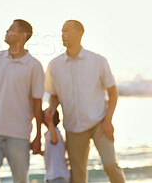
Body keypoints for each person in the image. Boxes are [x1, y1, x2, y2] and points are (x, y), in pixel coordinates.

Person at [44, 20, 126, 183]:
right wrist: (51, 108)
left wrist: (108, 121)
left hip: (99, 123)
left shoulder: (98, 61)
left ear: (80, 33)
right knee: (78, 175)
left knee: (110, 164)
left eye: (67, 31)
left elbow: (113, 92)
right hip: (73, 127)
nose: (63, 35)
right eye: (61, 31)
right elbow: (54, 95)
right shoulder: (54, 65)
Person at [0, 19, 44, 183]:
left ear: (22, 35)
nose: (6, 31)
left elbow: (37, 102)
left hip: (19, 134)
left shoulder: (34, 66)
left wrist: (38, 136)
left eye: (12, 29)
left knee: (20, 180)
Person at [41, 110, 70, 183]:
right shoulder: (51, 134)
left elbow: (54, 139)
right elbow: (51, 152)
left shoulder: (54, 133)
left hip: (57, 175)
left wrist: (50, 123)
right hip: (56, 175)